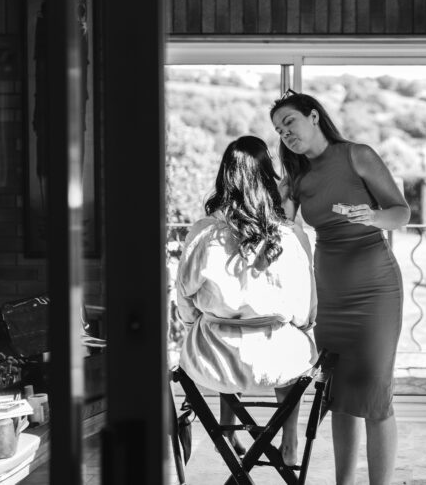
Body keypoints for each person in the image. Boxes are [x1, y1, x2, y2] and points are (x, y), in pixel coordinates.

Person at [270, 90, 410, 485]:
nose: (286, 134)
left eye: (290, 122)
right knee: (339, 396)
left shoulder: (357, 155)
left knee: (375, 394)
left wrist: (372, 216)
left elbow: (401, 213)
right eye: (280, 130)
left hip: (375, 290)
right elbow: (283, 224)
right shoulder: (297, 177)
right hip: (329, 292)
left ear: (314, 116)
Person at [175, 135, 317, 465]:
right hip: (276, 361)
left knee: (218, 329)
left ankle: (226, 428)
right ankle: (290, 439)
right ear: (268, 177)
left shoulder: (203, 231)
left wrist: (195, 319)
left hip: (215, 359)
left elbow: (184, 295)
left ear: (225, 177)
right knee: (291, 341)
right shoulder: (288, 234)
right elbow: (305, 310)